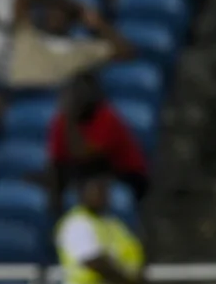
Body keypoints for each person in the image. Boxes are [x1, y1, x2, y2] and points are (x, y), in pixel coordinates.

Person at [48, 72, 150, 206]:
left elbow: (87, 155)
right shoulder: (62, 120)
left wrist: (70, 122)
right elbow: (57, 160)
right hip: (88, 171)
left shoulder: (106, 116)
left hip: (126, 174)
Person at [55, 171, 145, 284]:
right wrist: (130, 282)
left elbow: (135, 254)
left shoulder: (115, 225)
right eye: (96, 189)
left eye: (105, 190)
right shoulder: (76, 223)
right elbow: (95, 262)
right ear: (82, 194)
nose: (102, 194)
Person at [8, 0, 135, 89]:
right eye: (52, 10)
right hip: (20, 100)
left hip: (54, 107)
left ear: (71, 19)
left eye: (62, 12)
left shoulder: (82, 50)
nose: (55, 15)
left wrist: (97, 23)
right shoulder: (26, 35)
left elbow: (126, 51)